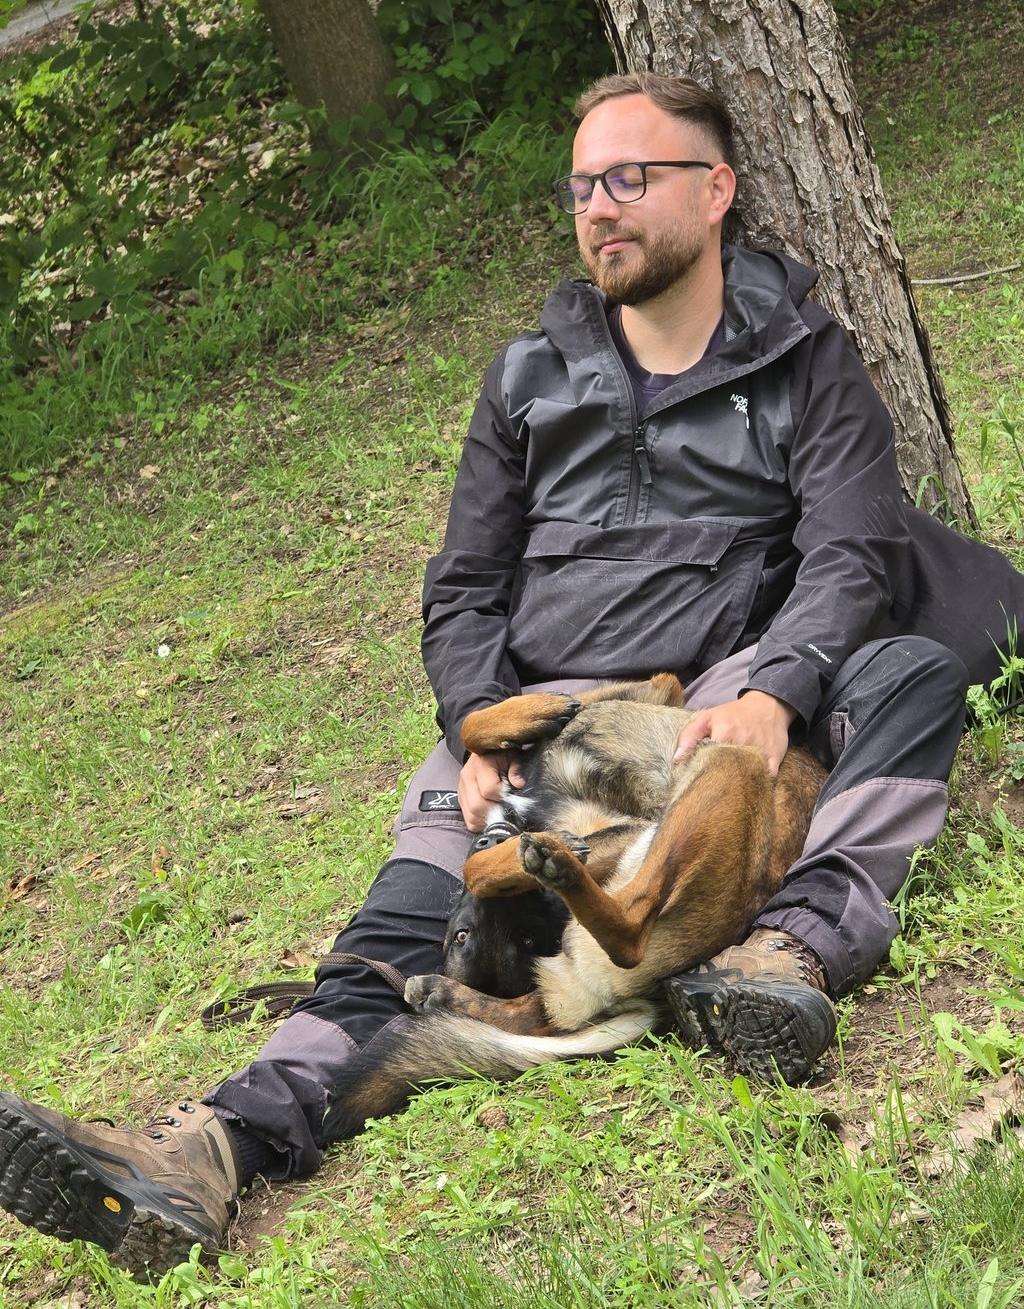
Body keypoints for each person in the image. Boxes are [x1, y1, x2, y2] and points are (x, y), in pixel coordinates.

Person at [2, 72, 1023, 1279]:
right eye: (584, 185)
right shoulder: (529, 376)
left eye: (630, 178)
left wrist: (773, 688)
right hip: (527, 724)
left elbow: (850, 549)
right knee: (386, 940)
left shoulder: (807, 362)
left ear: (717, 189)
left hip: (693, 698)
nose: (601, 207)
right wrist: (476, 732)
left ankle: (792, 950)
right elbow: (463, 582)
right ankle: (211, 1148)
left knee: (902, 669)